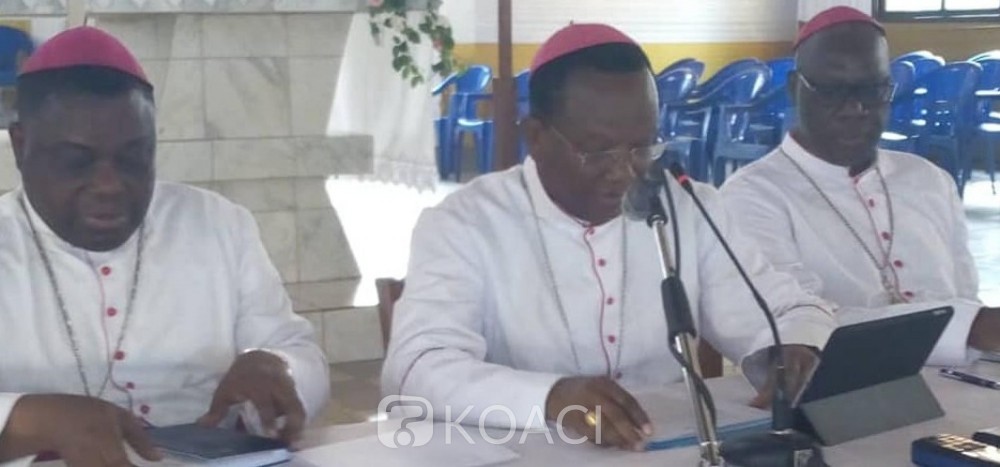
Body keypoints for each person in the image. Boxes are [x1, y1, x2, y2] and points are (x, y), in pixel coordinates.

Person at [382, 23, 837, 452]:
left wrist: (791, 346)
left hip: (666, 451)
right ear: (536, 136)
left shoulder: (688, 207)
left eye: (642, 147)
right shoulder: (466, 223)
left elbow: (785, 308)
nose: (625, 171)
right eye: (597, 151)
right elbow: (415, 368)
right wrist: (551, 397)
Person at [0, 27, 329, 466]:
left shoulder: (217, 224)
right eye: (76, 161)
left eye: (133, 158)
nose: (110, 185)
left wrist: (279, 368)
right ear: (21, 146)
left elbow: (298, 352)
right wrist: (26, 418)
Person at [721, 7, 1000, 368]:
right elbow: (796, 329)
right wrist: (969, 327)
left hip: (958, 384)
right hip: (835, 392)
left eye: (872, 90)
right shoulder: (752, 196)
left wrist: (977, 329)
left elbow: (967, 300)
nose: (855, 108)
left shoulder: (930, 180)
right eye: (832, 90)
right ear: (794, 88)